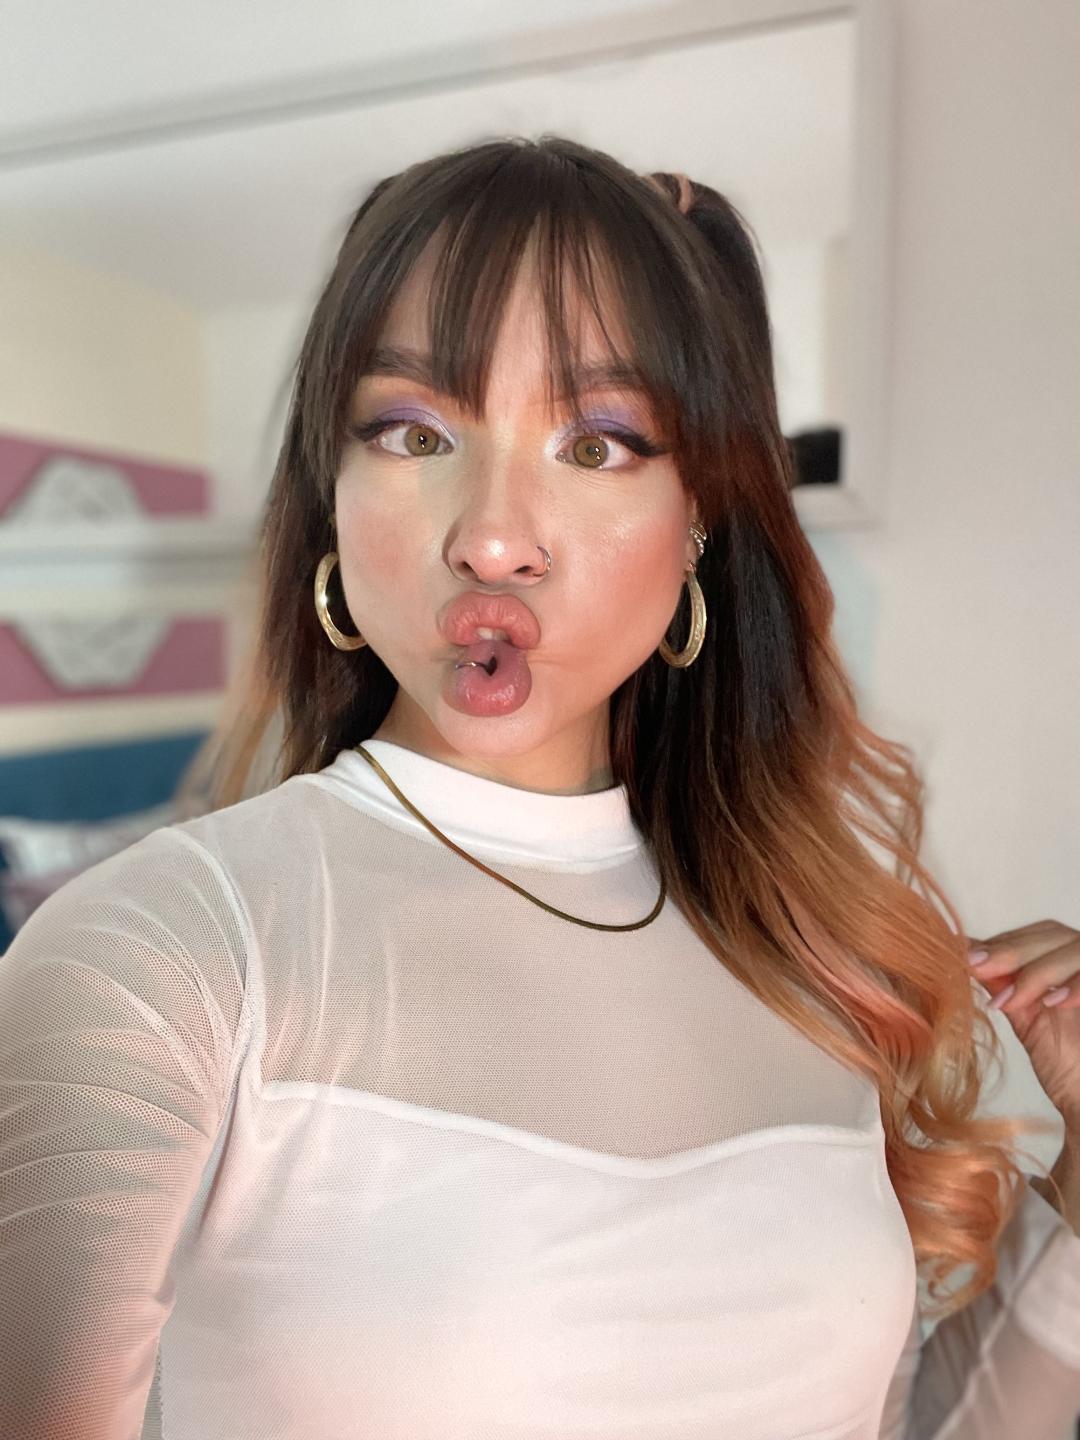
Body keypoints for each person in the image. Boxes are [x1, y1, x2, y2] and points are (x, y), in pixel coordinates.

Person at [1, 135, 1078, 1440]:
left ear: (696, 522)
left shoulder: (810, 963)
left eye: (599, 443)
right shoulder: (165, 956)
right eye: (413, 431)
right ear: (329, 495)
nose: (494, 538)